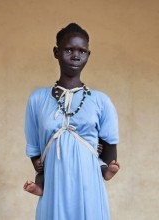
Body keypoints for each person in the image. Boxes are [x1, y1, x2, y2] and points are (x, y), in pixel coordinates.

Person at [23, 23, 119, 219]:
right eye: (68, 50)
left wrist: (99, 160)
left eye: (82, 51)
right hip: (54, 186)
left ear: (88, 55)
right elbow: (34, 148)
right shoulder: (37, 99)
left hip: (89, 186)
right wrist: (39, 171)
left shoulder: (101, 101)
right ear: (56, 52)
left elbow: (110, 152)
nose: (76, 55)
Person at [23, 141, 120, 196]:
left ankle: (106, 171)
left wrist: (95, 145)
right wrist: (37, 162)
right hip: (56, 159)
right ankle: (39, 188)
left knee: (98, 164)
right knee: (42, 173)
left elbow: (95, 140)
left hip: (86, 158)